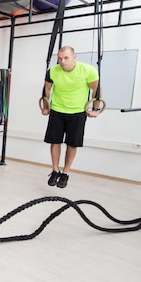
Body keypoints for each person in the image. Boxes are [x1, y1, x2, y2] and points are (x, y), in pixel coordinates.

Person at [42, 45, 101, 188]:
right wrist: (45, 106)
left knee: (72, 144)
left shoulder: (88, 70)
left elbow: (96, 91)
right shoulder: (53, 71)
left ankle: (65, 173)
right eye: (60, 58)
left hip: (77, 112)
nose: (62, 61)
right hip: (57, 110)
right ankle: (55, 170)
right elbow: (47, 89)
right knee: (55, 142)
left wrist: (96, 109)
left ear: (74, 57)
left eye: (66, 58)